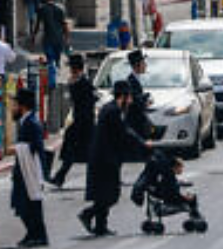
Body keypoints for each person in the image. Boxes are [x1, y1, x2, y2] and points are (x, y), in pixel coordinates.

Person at [81, 81, 150, 236]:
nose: (131, 101)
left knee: (105, 193)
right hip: (104, 159)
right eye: (129, 97)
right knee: (110, 194)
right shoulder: (112, 111)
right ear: (123, 97)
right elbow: (125, 132)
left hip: (106, 157)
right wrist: (142, 143)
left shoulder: (113, 109)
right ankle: (89, 215)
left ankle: (99, 225)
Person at [10, 89, 49, 247]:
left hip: (30, 171)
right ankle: (32, 233)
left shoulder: (31, 123)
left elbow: (36, 148)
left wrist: (16, 148)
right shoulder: (25, 121)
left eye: (15, 104)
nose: (13, 108)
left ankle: (38, 235)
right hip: (23, 170)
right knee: (22, 204)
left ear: (23, 106)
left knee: (30, 204)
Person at [51, 54, 95, 188]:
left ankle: (61, 177)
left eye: (71, 68)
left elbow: (89, 100)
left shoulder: (82, 83)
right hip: (79, 122)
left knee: (88, 154)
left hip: (84, 123)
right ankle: (60, 177)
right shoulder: (78, 82)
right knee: (75, 153)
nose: (70, 71)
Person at [31, 0, 70, 85]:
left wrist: (33, 37)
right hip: (59, 39)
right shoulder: (60, 9)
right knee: (56, 60)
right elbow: (65, 25)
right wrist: (67, 38)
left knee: (50, 60)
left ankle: (52, 82)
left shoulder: (42, 9)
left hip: (48, 39)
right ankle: (56, 78)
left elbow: (37, 25)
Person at [123, 48, 153, 152]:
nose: (146, 65)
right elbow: (135, 102)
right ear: (137, 65)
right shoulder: (131, 81)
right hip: (135, 122)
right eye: (143, 63)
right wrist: (145, 100)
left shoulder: (136, 79)